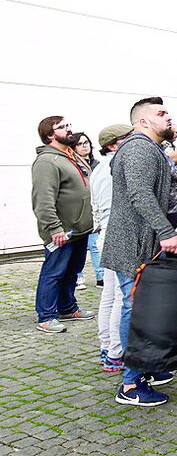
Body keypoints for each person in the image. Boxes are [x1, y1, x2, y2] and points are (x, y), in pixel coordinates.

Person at [100, 97, 177, 407]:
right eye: (161, 113)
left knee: (144, 308)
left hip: (142, 243)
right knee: (135, 310)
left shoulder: (150, 148)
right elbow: (139, 195)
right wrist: (166, 232)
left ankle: (146, 367)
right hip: (132, 245)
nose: (169, 117)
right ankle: (131, 384)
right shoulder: (138, 148)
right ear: (143, 122)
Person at [31, 116, 97, 333]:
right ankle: (46, 317)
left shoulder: (70, 156)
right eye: (62, 127)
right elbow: (43, 200)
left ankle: (67, 308)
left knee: (72, 271)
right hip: (62, 231)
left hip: (79, 229)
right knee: (54, 272)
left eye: (68, 125)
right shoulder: (47, 162)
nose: (69, 129)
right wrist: (54, 228)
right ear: (50, 135)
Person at [90, 124, 133, 372]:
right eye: (129, 138)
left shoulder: (98, 168)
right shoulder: (116, 166)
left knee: (109, 295)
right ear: (114, 144)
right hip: (118, 235)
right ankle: (116, 353)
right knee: (120, 297)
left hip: (105, 234)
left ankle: (107, 347)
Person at [73, 132, 102, 289]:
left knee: (95, 244)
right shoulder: (73, 165)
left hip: (94, 209)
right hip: (78, 211)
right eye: (80, 144)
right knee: (78, 247)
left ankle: (100, 276)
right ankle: (78, 277)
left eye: (86, 142)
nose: (84, 146)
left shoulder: (96, 164)